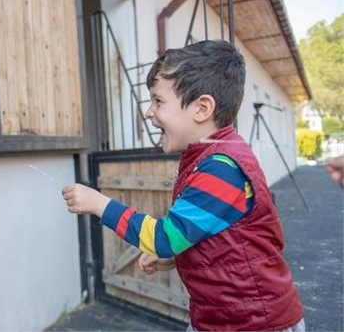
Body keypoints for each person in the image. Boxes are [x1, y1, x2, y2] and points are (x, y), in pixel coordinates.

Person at [62, 40, 304, 331]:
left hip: (255, 323)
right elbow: (211, 235)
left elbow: (164, 237)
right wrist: (178, 257)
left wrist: (99, 204)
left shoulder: (221, 169)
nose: (149, 112)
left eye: (158, 101)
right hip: (221, 318)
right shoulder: (210, 156)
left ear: (202, 109)